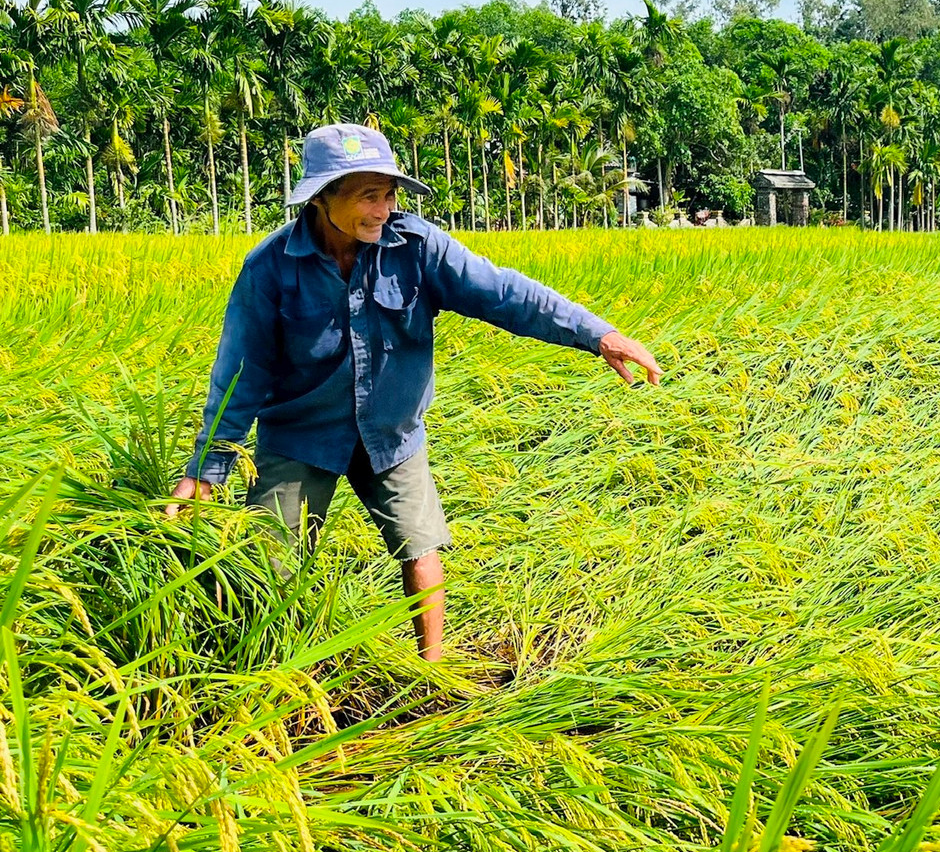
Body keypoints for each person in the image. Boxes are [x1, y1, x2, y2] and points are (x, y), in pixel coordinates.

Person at [167, 122, 661, 662]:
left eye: (389, 195)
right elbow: (241, 371)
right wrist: (205, 469)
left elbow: (505, 294)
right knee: (269, 564)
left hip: (390, 429)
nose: (382, 210)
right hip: (301, 433)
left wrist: (598, 334)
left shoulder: (417, 247)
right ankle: (259, 666)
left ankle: (433, 668)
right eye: (368, 197)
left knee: (419, 544)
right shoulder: (271, 268)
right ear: (322, 198)